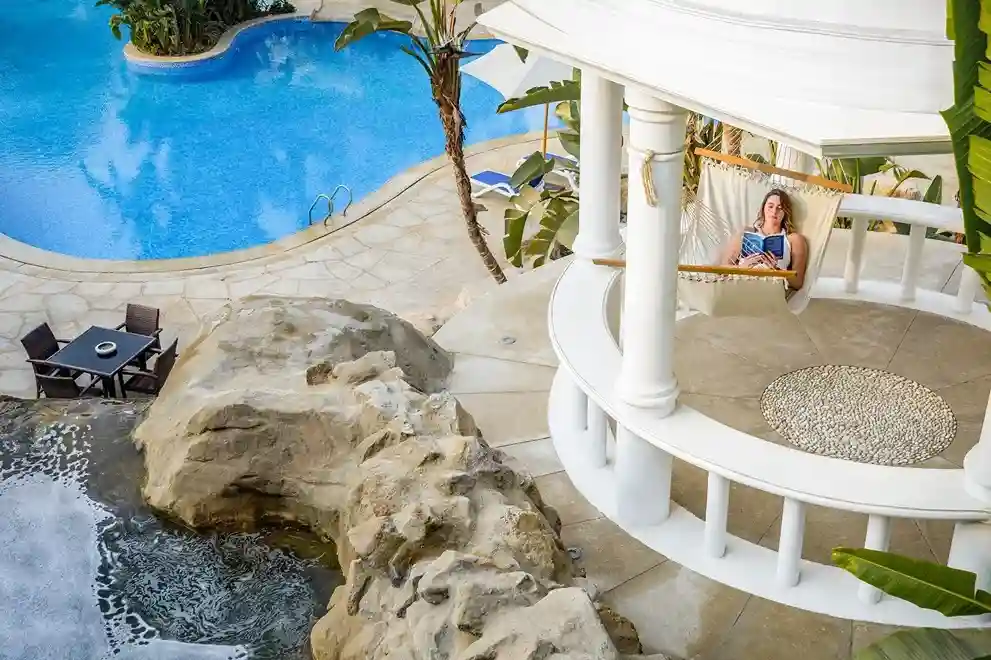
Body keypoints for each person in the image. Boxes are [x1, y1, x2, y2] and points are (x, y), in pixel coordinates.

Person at [718, 188, 808, 291]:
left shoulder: (794, 239)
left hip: (770, 289)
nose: (774, 211)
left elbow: (798, 282)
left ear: (785, 212)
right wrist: (742, 268)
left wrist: (776, 271)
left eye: (780, 208)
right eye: (770, 206)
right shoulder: (746, 233)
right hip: (742, 284)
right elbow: (722, 269)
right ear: (763, 208)